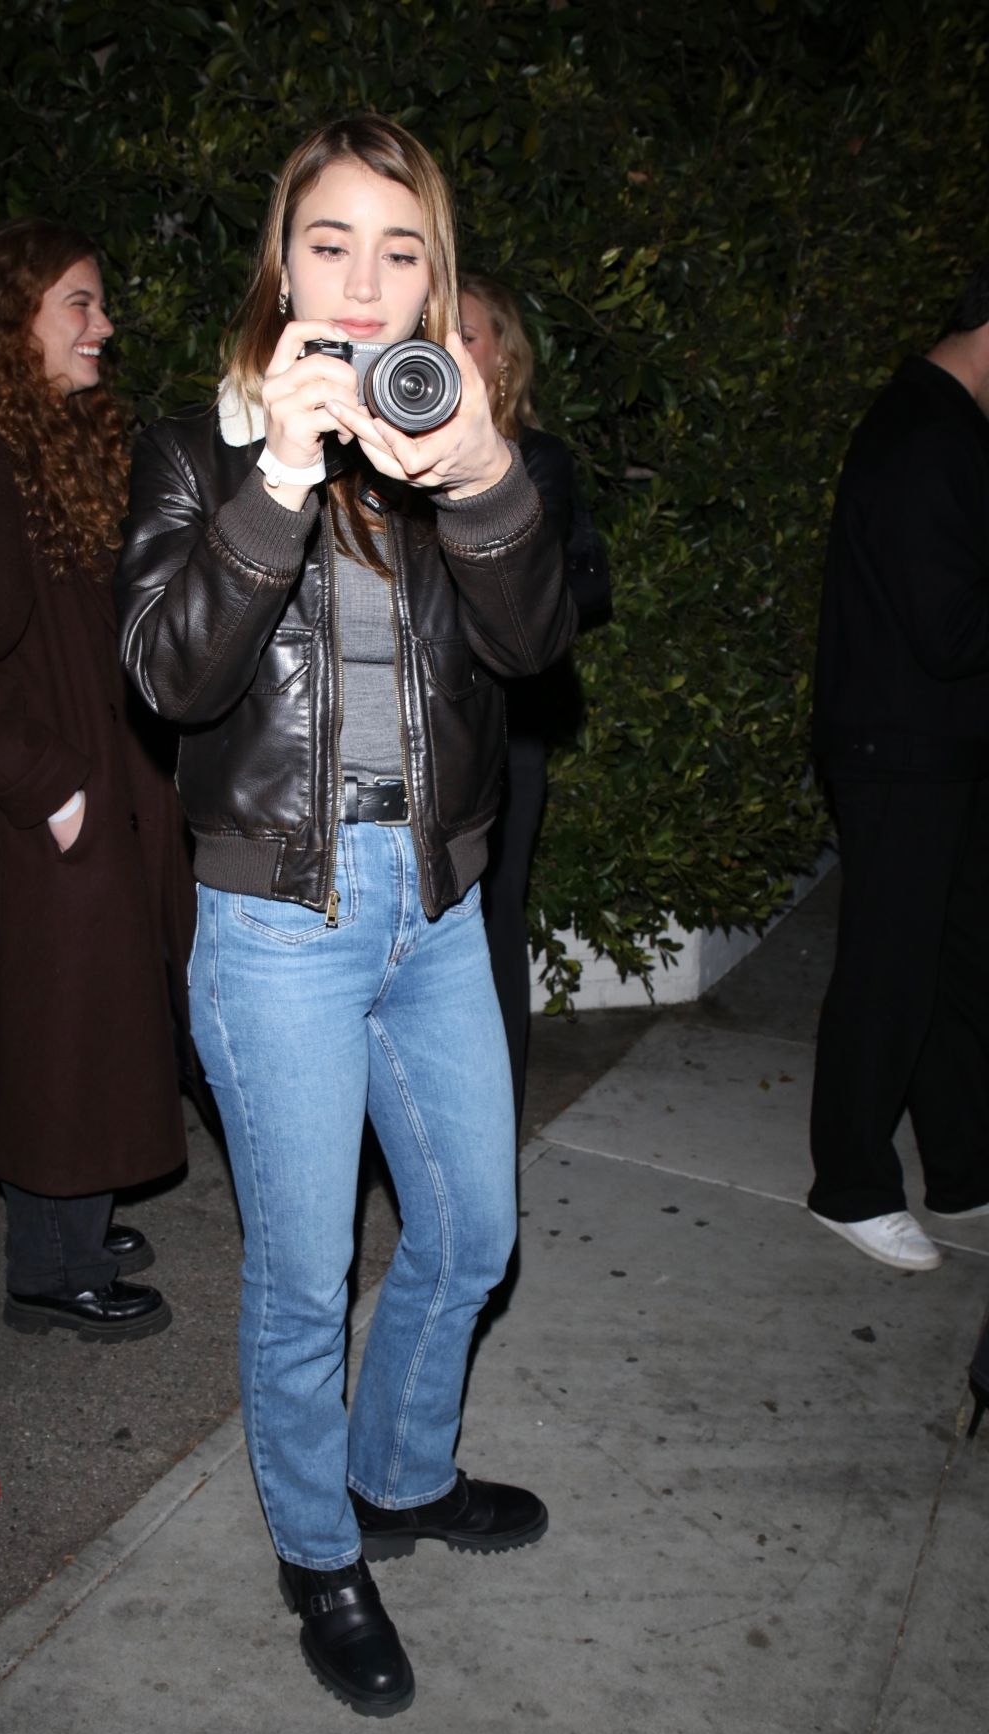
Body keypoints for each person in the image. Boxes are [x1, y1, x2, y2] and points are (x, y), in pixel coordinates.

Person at [116, 116, 576, 1716]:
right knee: (306, 1275)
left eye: (402, 249)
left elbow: (532, 653)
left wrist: (490, 477)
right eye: (334, 242)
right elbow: (170, 676)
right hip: (279, 925)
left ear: (434, 275)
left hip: (434, 904)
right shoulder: (197, 448)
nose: (366, 280)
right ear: (283, 255)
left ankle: (398, 1469)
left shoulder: (443, 435)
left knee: (469, 1231)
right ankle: (321, 1548)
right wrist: (280, 477)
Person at [0, 220, 193, 1340]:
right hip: (41, 817)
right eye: (78, 302)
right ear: (10, 319)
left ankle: (76, 1221)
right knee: (64, 1035)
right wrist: (54, 790)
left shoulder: (50, 447)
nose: (103, 325)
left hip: (93, 795)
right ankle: (48, 1267)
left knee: (101, 1024)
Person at [808, 260, 989, 1271]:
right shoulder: (925, 436)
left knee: (957, 965)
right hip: (899, 748)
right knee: (892, 968)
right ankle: (851, 1182)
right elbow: (948, 627)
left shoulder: (949, 427)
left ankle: (964, 1171)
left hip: (940, 743)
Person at [459, 272, 610, 1122]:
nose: (451, 344)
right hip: (419, 729)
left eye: (470, 334)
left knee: (491, 918)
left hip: (508, 729)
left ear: (503, 356)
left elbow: (565, 587)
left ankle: (492, 1117)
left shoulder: (537, 460)